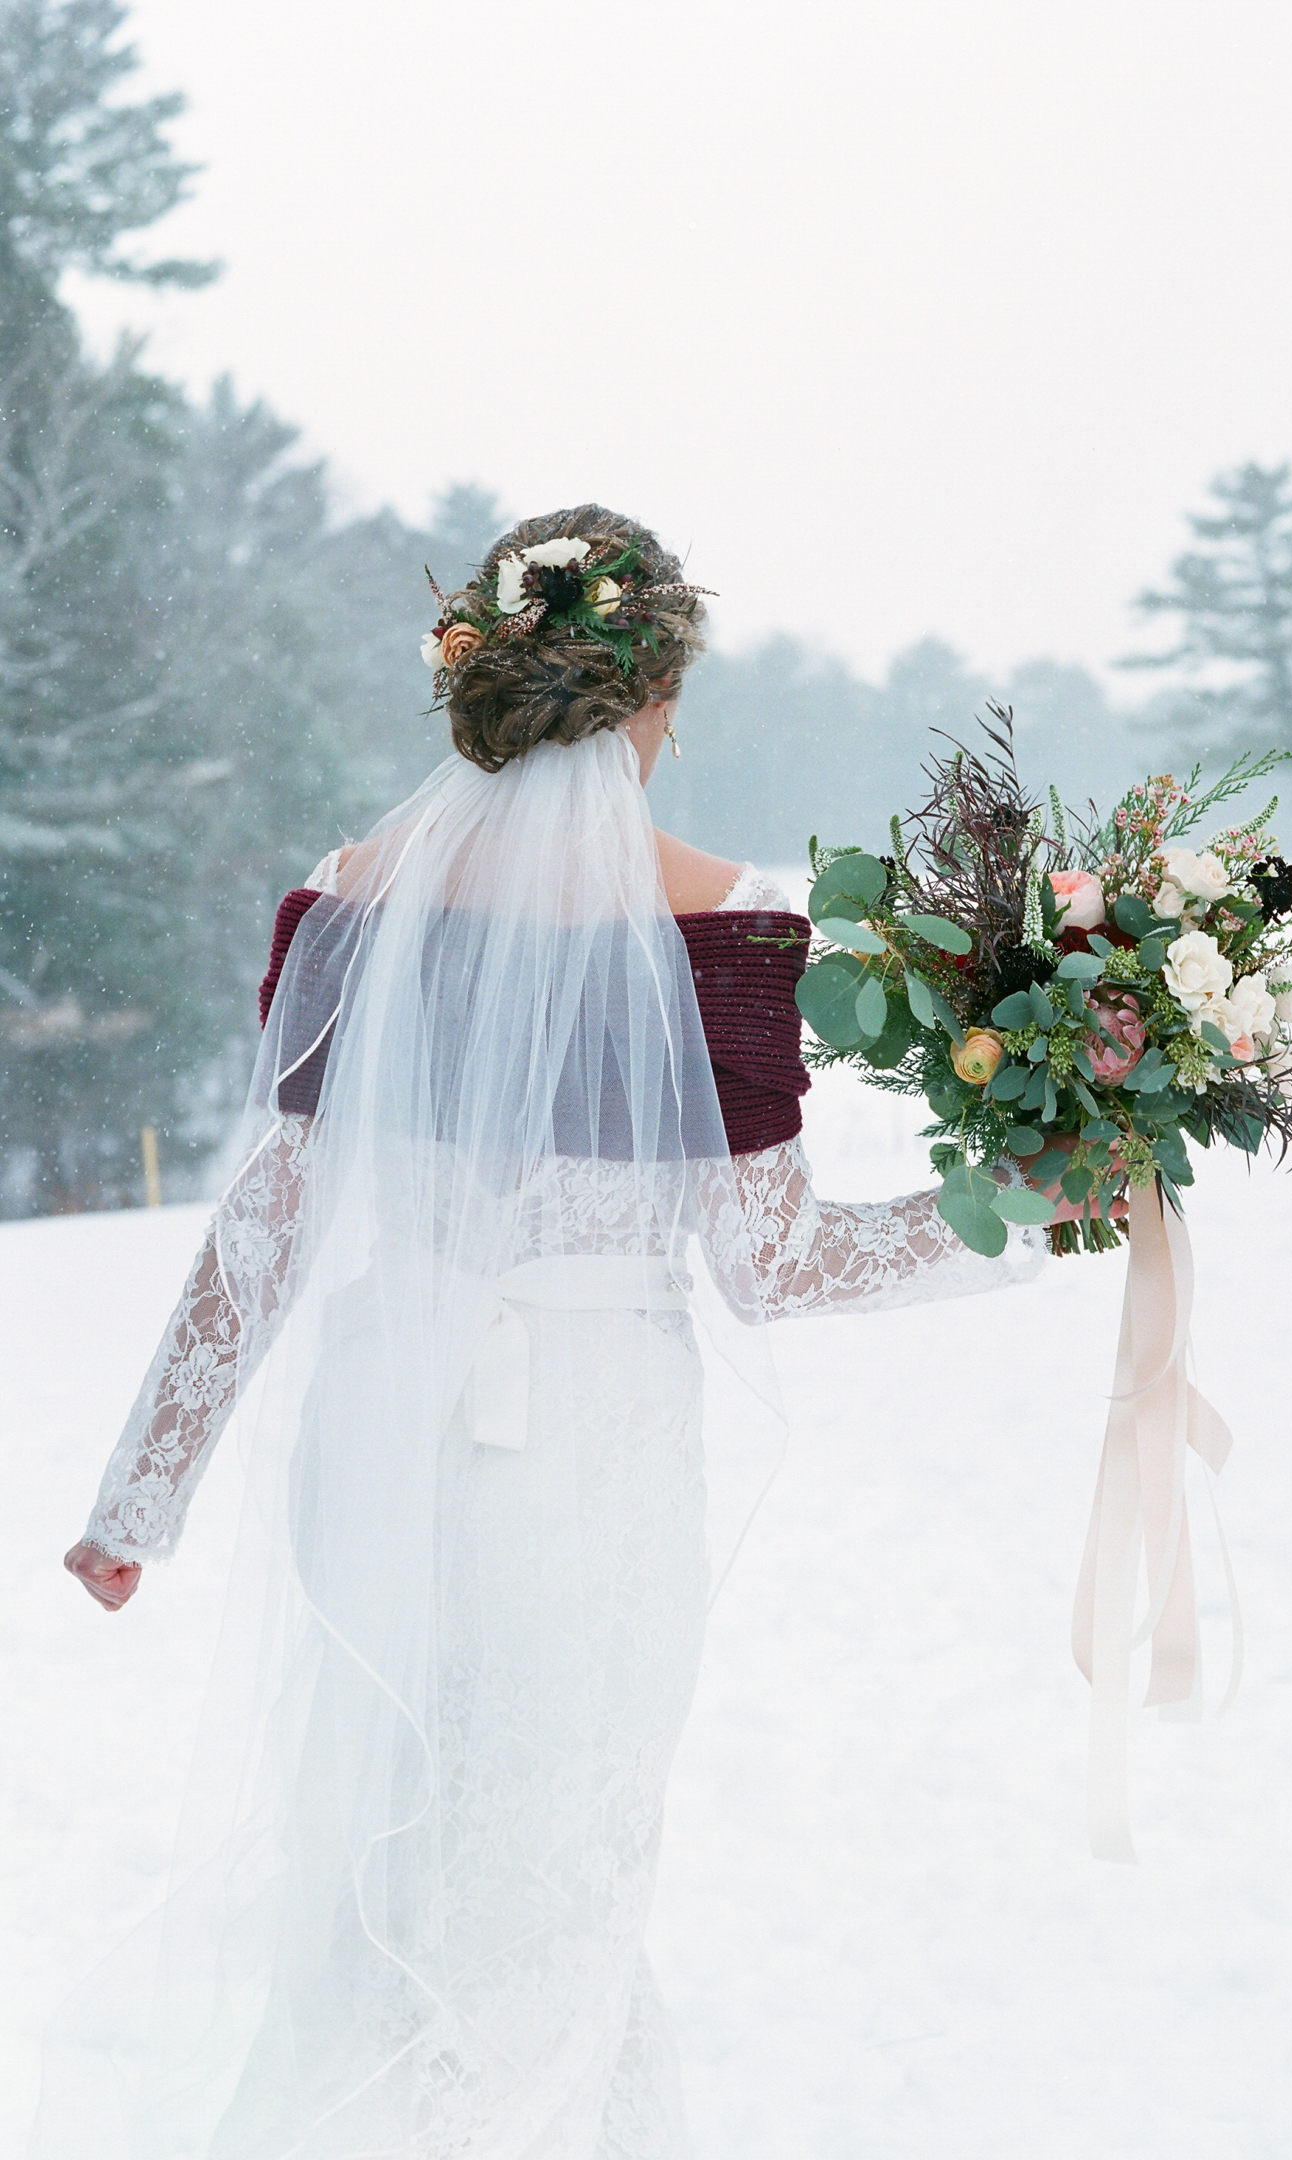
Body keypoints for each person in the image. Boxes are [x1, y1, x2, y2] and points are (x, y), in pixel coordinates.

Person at [43, 507, 1084, 2160]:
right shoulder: (723, 924)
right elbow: (778, 1270)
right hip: (590, 1456)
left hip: (382, 1424)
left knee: (402, 1843)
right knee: (551, 1862)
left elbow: (265, 1230)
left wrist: (137, 1499)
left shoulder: (349, 898)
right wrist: (1025, 1209)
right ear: (655, 697)